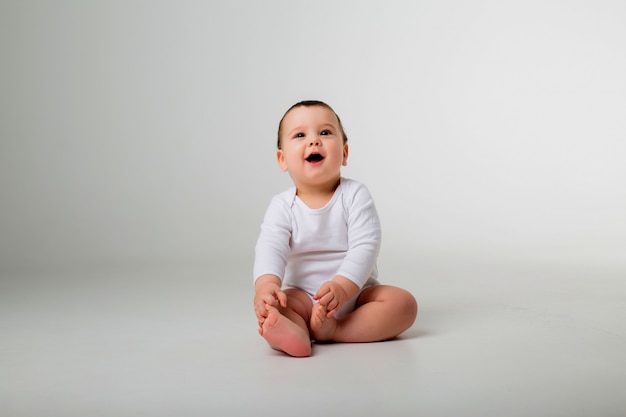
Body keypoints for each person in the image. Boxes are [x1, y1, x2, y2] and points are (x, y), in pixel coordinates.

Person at [253, 100, 417, 357]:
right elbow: (270, 247)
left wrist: (343, 287)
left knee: (403, 304)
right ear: (282, 159)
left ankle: (337, 329)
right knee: (279, 309)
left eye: (325, 132)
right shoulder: (282, 206)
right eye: (300, 135)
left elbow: (366, 245)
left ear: (345, 153)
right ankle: (294, 333)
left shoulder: (355, 194)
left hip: (357, 295)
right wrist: (266, 286)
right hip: (303, 297)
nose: (314, 141)